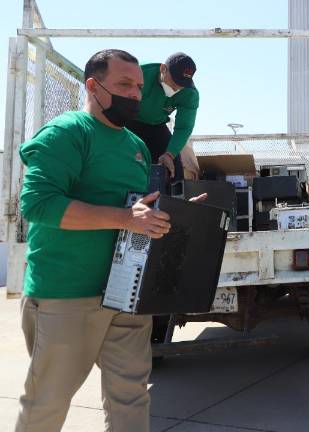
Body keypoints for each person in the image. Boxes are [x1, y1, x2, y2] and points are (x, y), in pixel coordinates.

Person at [14, 49, 173, 432]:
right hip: (66, 295)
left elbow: (130, 209)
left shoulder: (135, 145)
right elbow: (38, 204)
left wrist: (172, 215)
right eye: (123, 84)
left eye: (137, 86)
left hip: (125, 294)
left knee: (131, 398)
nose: (135, 94)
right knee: (46, 404)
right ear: (93, 85)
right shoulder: (67, 133)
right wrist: (124, 218)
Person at [126, 52, 199, 182]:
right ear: (163, 69)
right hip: (126, 121)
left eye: (182, 84)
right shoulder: (139, 74)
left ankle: (174, 200)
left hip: (156, 125)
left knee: (174, 166)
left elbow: (184, 127)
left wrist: (169, 154)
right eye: (174, 81)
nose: (176, 87)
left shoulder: (189, 94)